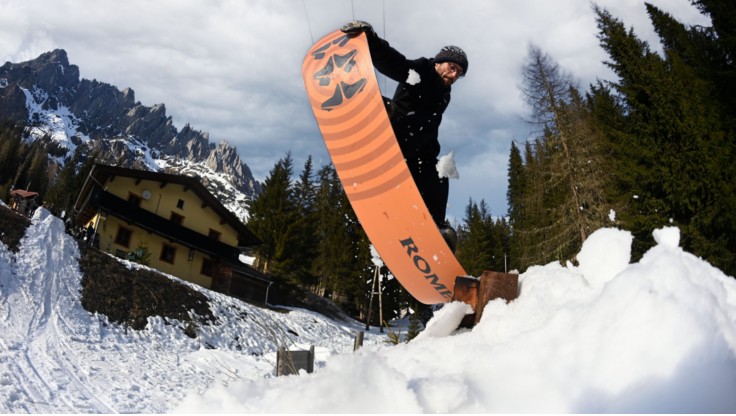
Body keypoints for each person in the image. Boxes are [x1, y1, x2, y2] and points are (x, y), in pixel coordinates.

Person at [341, 21, 467, 251]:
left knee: (441, 171)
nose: (454, 73)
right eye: (452, 67)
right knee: (384, 105)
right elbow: (395, 64)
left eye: (459, 72)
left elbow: (431, 126)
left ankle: (434, 227)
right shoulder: (421, 72)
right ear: (439, 62)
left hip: (416, 153)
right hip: (394, 132)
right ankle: (350, 95)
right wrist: (371, 40)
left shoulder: (444, 95)